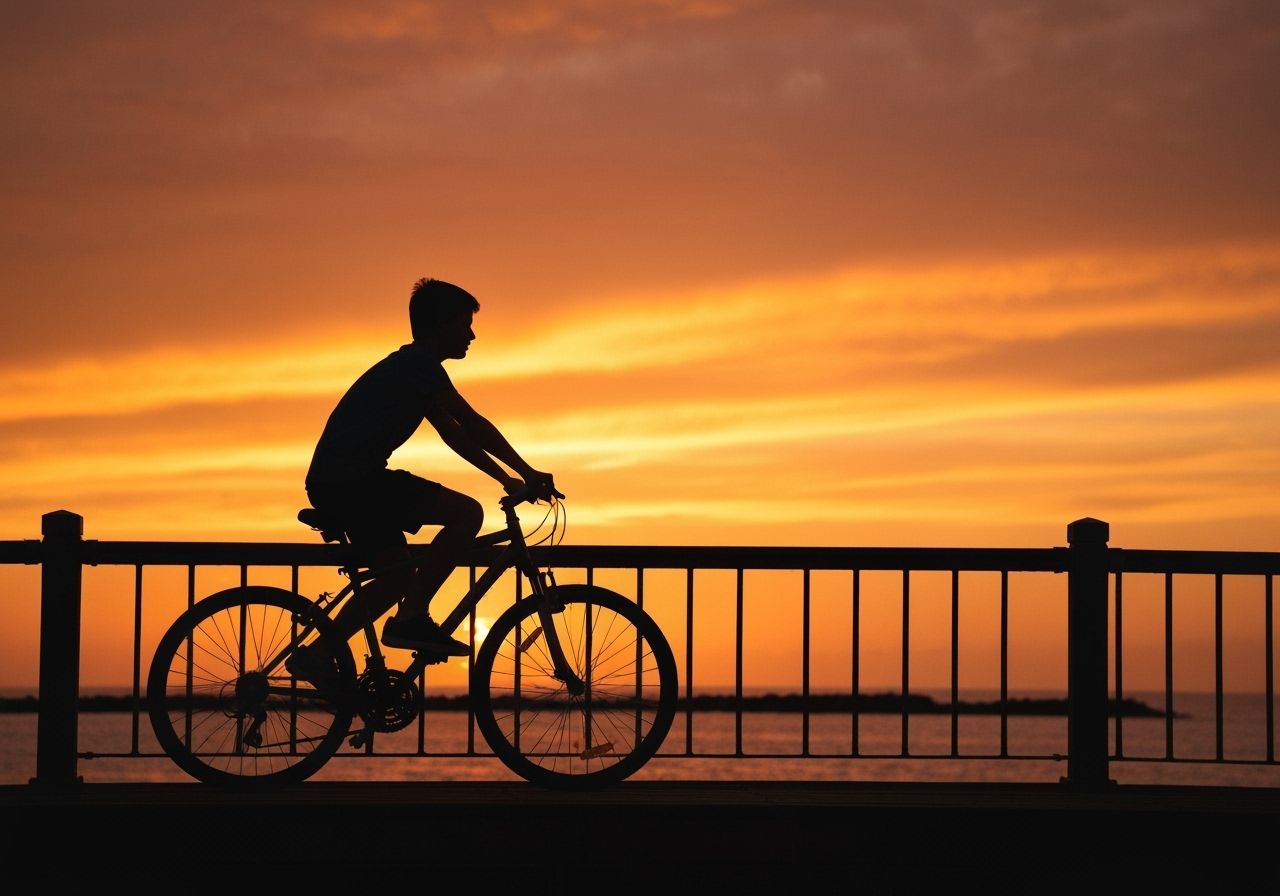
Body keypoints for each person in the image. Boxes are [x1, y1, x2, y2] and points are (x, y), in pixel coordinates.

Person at [291, 277, 557, 681]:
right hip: (354, 481)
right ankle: (411, 618)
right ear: (440, 325)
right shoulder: (418, 366)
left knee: (395, 575)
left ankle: (320, 653)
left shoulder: (412, 370)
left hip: (342, 482)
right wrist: (526, 473)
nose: (472, 334)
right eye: (465, 324)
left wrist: (508, 479)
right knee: (467, 514)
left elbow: (455, 433)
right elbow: (471, 423)